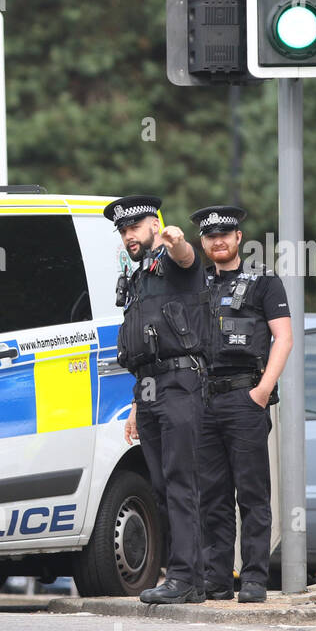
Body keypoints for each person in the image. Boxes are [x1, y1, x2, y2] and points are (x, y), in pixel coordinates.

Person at [109, 195, 208, 604]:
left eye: (134, 227)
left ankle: (185, 577)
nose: (128, 235)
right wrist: (135, 405)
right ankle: (185, 578)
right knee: (163, 486)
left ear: (154, 225)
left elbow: (188, 259)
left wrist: (178, 242)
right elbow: (142, 347)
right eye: (122, 230)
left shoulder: (171, 261)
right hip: (149, 389)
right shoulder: (138, 279)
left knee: (181, 482)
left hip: (180, 383)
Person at [191, 205, 292, 604]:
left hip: (245, 396)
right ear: (203, 242)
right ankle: (216, 580)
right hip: (202, 400)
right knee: (212, 496)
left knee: (251, 494)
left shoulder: (264, 282)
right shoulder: (195, 285)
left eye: (225, 234)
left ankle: (253, 578)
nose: (218, 240)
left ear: (237, 238)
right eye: (210, 235)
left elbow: (283, 338)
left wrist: (263, 391)